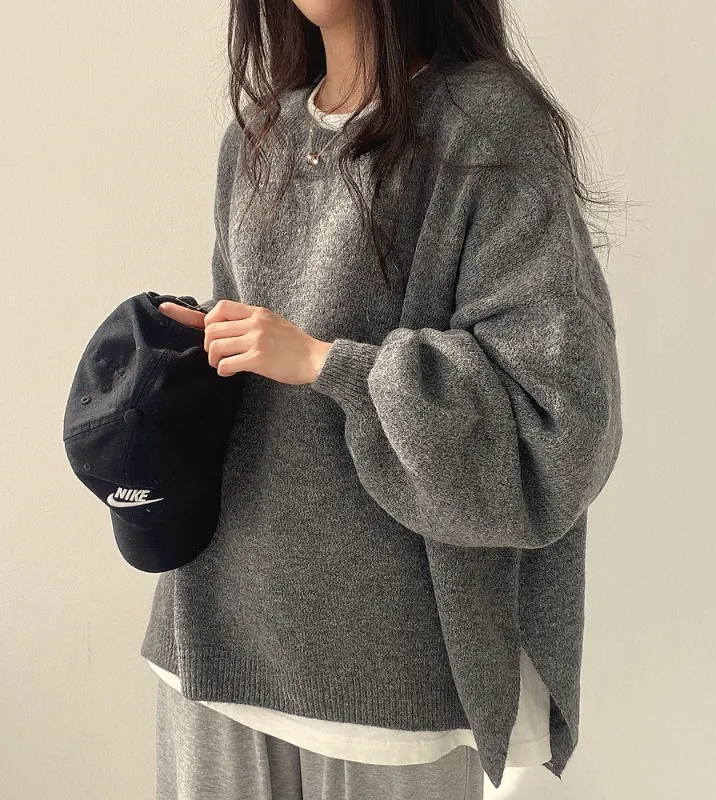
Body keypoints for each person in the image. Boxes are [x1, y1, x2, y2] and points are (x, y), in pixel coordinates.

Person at [143, 1, 624, 798]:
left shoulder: (486, 129)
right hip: (209, 637)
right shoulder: (257, 137)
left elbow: (559, 419)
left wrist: (329, 365)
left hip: (387, 686)